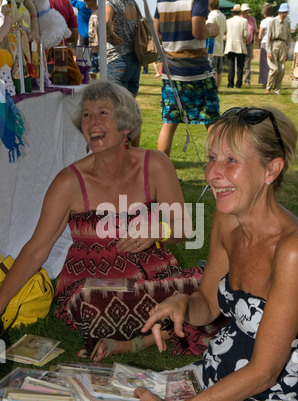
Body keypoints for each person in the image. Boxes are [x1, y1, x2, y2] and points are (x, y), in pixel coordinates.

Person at [71, 105, 298, 401]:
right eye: (211, 158)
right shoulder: (229, 221)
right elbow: (207, 304)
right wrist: (182, 302)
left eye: (230, 161)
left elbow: (264, 373)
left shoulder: (292, 250)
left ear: (272, 170)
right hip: (218, 372)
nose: (212, 173)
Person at [0, 80, 204, 360]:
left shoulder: (155, 165)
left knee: (214, 287)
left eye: (102, 113)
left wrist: (158, 230)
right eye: (86, 115)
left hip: (154, 278)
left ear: (125, 125)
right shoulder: (69, 182)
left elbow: (185, 227)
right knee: (90, 302)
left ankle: (133, 340)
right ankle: (170, 320)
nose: (92, 122)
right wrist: (0, 301)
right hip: (96, 288)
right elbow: (37, 248)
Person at [155, 0, 220, 158]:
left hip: (171, 72)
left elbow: (157, 32)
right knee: (211, 121)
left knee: (169, 122)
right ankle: (219, 175)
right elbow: (198, 31)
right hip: (197, 70)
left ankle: (160, 175)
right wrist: (212, 29)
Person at [265, 2, 291, 95]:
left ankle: (277, 89)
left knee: (282, 69)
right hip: (274, 44)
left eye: (286, 12)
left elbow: (288, 37)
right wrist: (269, 51)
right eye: (284, 12)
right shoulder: (273, 21)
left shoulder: (287, 23)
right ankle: (268, 87)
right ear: (279, 12)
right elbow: (268, 37)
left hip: (283, 45)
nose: (285, 14)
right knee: (274, 69)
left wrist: (287, 51)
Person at [224, 4, 248, 88]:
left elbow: (225, 34)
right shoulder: (244, 21)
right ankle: (239, 84)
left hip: (230, 45)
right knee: (240, 66)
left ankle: (230, 83)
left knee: (231, 65)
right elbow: (245, 34)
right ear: (240, 12)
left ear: (233, 13)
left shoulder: (227, 21)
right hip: (240, 45)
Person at [207, 0, 227, 91]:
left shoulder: (211, 15)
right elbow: (225, 31)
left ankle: (214, 88)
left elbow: (208, 27)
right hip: (220, 45)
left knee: (213, 70)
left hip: (213, 45)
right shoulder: (223, 16)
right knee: (219, 70)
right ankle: (217, 88)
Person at [240, 3, 257, 87]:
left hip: (249, 44)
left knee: (247, 64)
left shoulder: (252, 19)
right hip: (240, 44)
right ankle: (238, 80)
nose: (245, 12)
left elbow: (254, 31)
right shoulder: (239, 19)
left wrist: (254, 42)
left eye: (246, 11)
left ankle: (247, 80)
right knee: (240, 63)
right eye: (244, 11)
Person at [258, 3, 273, 89]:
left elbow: (260, 35)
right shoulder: (275, 20)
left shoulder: (264, 21)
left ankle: (264, 83)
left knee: (264, 64)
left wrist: (259, 41)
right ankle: (272, 82)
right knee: (272, 64)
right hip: (273, 43)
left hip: (265, 43)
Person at [83, 0, 99, 74]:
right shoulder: (92, 13)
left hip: (99, 50)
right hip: (93, 48)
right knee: (92, 73)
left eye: (86, 0)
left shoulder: (100, 13)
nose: (84, 1)